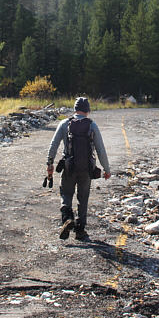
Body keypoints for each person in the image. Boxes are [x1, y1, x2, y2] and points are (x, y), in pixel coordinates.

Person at [46, 97, 110, 241]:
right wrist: (106, 169)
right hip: (86, 169)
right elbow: (100, 149)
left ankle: (67, 218)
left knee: (66, 194)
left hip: (69, 167)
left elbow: (53, 146)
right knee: (83, 197)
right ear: (88, 110)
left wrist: (49, 164)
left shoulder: (64, 124)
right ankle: (80, 230)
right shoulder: (92, 125)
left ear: (75, 109)